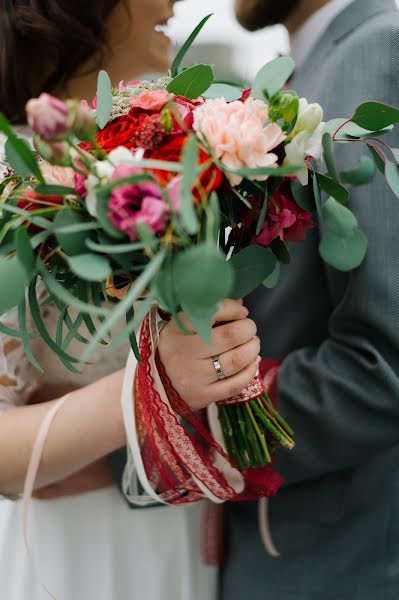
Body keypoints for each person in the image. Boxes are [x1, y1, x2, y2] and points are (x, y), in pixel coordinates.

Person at [0, 1, 260, 598]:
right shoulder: (15, 178)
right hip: (78, 555)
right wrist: (152, 387)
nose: (175, 2)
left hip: (177, 533)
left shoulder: (146, 156)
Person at [217, 0, 399, 598]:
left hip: (337, 559)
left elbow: (384, 362)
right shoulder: (307, 68)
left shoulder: (376, 51)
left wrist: (168, 441)